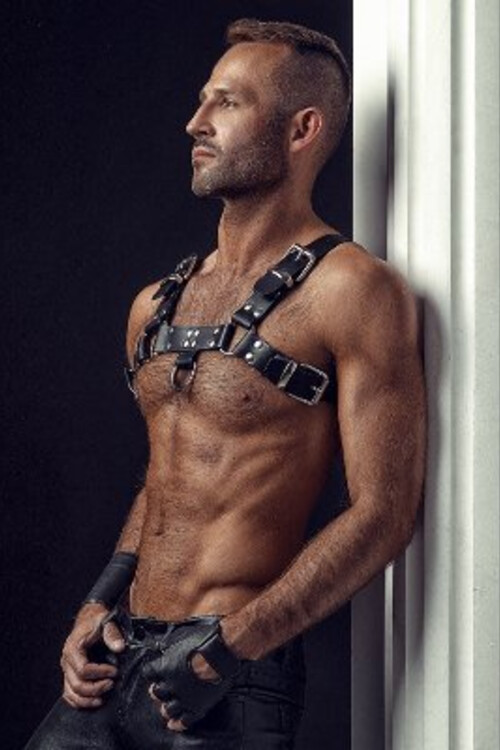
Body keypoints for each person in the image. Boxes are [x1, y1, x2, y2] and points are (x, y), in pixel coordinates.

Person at [26, 17, 426, 750]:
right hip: (116, 661)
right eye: (203, 98)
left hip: (226, 682)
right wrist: (96, 603)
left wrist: (233, 645)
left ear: (302, 129)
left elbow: (385, 512)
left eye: (228, 102)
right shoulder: (157, 303)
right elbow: (169, 478)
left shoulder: (352, 291)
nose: (195, 122)